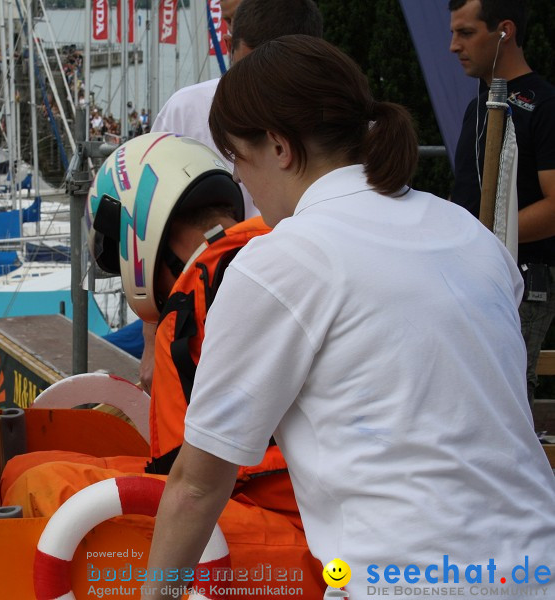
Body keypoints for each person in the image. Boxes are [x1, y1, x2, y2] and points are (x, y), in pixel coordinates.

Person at [142, 35, 555, 600]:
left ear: (281, 148)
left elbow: (196, 485)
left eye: (238, 155)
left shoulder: (279, 262)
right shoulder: (470, 235)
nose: (237, 179)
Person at [1, 135, 324, 598]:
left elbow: (189, 487)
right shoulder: (265, 252)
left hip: (298, 538)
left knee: (35, 483)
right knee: (28, 468)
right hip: (279, 505)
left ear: (139, 231)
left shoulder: (207, 290)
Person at [141, 0, 323, 393]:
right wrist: (153, 342)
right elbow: (146, 225)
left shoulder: (332, 125)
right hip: (201, 324)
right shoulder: (187, 109)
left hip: (295, 323)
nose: (238, 174)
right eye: (244, 70)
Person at [448, 0, 555, 414]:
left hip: (527, 276)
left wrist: (482, 233)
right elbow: (465, 198)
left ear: (504, 30)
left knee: (505, 390)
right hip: (474, 271)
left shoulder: (544, 106)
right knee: (470, 386)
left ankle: (520, 477)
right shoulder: (478, 107)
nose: (453, 46)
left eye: (466, 32)